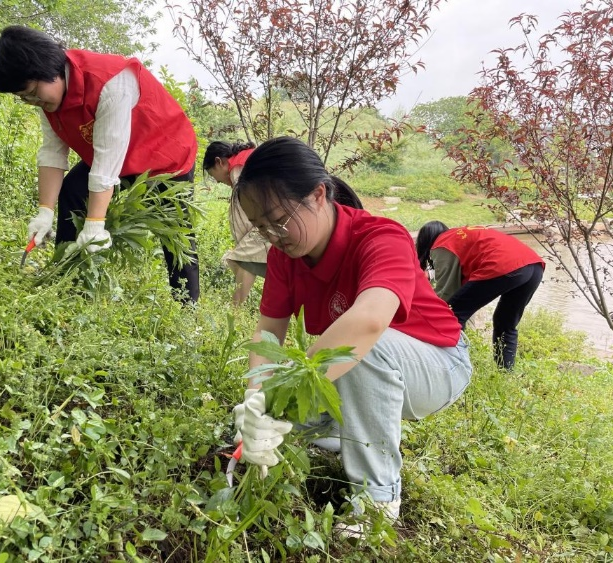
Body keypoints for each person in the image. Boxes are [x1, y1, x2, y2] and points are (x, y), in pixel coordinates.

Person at [231, 137, 472, 537]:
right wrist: (255, 398)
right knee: (275, 427)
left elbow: (370, 322)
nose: (274, 235)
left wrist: (279, 400)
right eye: (262, 227)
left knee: (355, 351)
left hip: (438, 364)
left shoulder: (381, 237)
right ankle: (346, 436)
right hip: (358, 366)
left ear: (318, 194)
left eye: (279, 219)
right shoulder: (283, 256)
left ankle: (377, 500)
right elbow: (269, 331)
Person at [0, 25, 200, 303]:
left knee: (176, 235)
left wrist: (95, 224)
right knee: (73, 190)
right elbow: (52, 152)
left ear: (48, 69)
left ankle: (187, 309)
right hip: (115, 157)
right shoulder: (48, 98)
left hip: (165, 155)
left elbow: (107, 161)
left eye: (33, 93)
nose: (32, 101)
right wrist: (44, 212)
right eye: (24, 98)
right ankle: (67, 281)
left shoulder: (111, 81)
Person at [415, 221, 545, 370]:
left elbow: (446, 293)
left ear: (424, 240)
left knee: (450, 314)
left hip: (502, 264)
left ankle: (453, 367)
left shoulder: (442, 244)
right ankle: (505, 373)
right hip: (534, 265)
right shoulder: (460, 235)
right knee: (505, 323)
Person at [203, 141, 270, 305]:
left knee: (241, 259)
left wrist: (243, 244)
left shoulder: (238, 168)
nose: (217, 181)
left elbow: (248, 209)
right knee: (239, 258)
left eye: (213, 175)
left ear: (219, 162)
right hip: (274, 219)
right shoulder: (245, 160)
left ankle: (235, 312)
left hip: (271, 221)